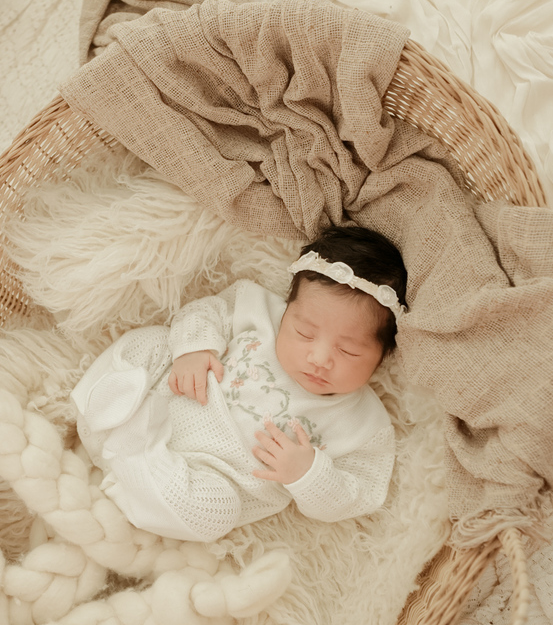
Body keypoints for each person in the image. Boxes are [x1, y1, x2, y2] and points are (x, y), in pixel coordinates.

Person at [70, 225, 407, 542]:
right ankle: (109, 416)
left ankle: (133, 451)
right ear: (287, 310)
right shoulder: (257, 310)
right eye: (304, 333)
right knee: (154, 342)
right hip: (168, 398)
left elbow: (362, 494)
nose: (319, 358)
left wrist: (309, 475)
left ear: (383, 356)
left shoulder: (364, 423)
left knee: (217, 514)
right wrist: (195, 349)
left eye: (348, 351)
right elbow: (204, 311)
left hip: (205, 476)